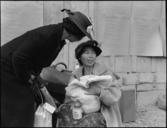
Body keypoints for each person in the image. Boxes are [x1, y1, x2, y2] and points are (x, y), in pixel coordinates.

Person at [1, 9, 94, 127]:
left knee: (23, 105)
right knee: (22, 105)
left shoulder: (58, 39)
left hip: (16, 68)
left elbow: (37, 61)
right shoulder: (47, 35)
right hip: (7, 69)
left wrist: (37, 79)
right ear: (74, 33)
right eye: (82, 36)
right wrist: (27, 79)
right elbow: (18, 57)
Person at [56, 40, 123, 127]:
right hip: (80, 106)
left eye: (93, 53)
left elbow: (114, 96)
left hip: (102, 110)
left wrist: (99, 91)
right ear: (79, 56)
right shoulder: (76, 74)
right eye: (87, 53)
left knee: (86, 121)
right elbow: (69, 95)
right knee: (63, 111)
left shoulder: (105, 71)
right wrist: (73, 101)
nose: (91, 56)